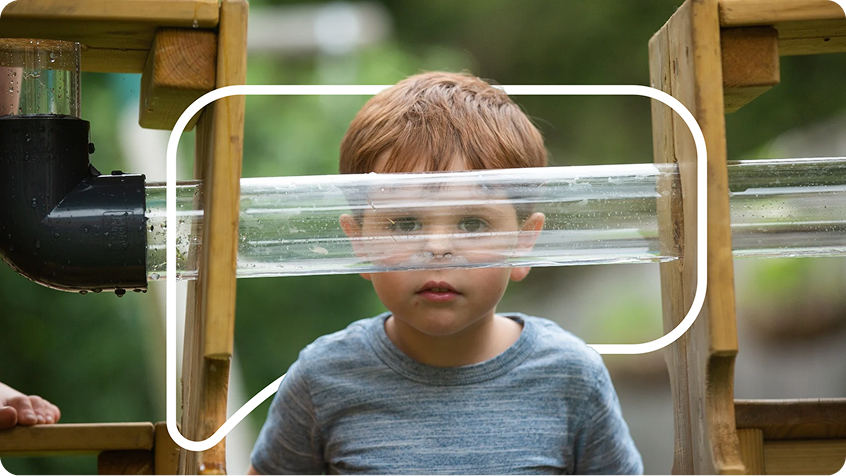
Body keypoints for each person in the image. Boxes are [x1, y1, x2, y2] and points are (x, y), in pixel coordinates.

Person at [248, 72, 643, 475]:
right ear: (360, 242)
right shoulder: (322, 378)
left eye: (472, 223)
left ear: (525, 242)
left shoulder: (572, 377)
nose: (438, 248)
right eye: (405, 224)